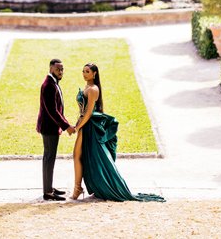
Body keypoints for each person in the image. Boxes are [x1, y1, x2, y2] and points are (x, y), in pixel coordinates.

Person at [71, 63, 165, 202]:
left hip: (90, 127)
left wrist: (78, 127)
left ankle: (78, 189)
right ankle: (78, 188)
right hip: (85, 125)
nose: (84, 74)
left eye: (87, 71)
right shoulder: (87, 87)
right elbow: (84, 111)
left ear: (94, 74)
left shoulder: (93, 89)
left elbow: (89, 112)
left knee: (81, 155)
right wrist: (78, 125)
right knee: (78, 155)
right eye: (83, 71)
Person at [36, 58, 75, 201]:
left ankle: (49, 188)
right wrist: (67, 127)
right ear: (51, 68)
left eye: (62, 69)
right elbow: (52, 111)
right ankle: (47, 192)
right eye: (58, 69)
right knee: (49, 158)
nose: (61, 72)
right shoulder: (48, 85)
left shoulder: (53, 83)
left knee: (49, 158)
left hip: (51, 127)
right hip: (49, 127)